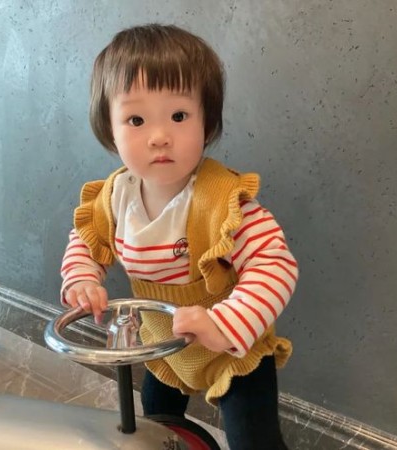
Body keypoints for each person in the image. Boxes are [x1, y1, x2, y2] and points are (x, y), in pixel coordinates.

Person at [60, 24, 298, 449]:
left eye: (179, 116)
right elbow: (86, 238)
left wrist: (225, 323)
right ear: (109, 128)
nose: (159, 137)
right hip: (164, 346)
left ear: (207, 123)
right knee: (157, 429)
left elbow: (274, 264)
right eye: (136, 120)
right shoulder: (115, 197)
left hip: (232, 351)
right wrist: (82, 278)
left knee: (254, 440)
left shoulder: (223, 200)